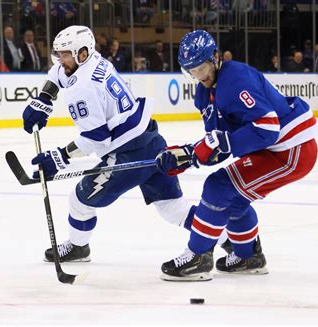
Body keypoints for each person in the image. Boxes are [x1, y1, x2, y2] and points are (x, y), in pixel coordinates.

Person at [21, 26, 197, 263]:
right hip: (151, 141)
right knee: (174, 209)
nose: (60, 59)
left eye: (65, 54)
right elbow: (57, 73)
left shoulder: (82, 88)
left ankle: (78, 247)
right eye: (59, 53)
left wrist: (59, 156)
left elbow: (96, 138)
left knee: (79, 201)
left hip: (128, 154)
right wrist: (44, 98)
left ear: (82, 53)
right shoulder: (92, 60)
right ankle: (238, 243)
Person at [156, 30, 318, 281]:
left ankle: (198, 256)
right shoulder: (203, 93)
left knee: (219, 186)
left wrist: (219, 144)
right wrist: (188, 156)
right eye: (192, 71)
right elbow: (217, 144)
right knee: (232, 198)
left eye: (201, 67)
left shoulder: (236, 78)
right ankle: (247, 256)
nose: (199, 76)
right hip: (274, 148)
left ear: (215, 57)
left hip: (292, 149)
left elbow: (267, 127)